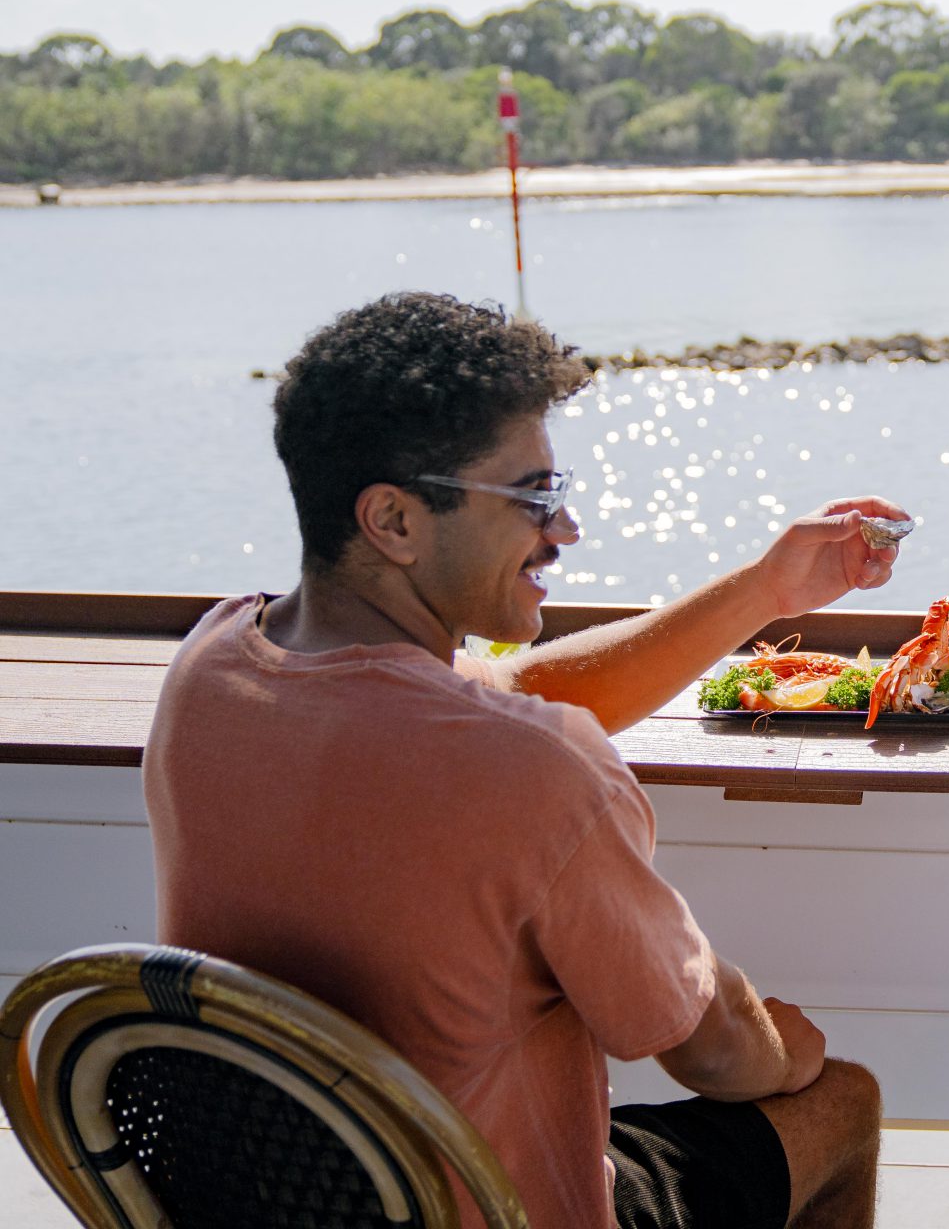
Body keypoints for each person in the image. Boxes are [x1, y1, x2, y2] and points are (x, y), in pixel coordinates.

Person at [144, 292, 906, 1229]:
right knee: (840, 1106)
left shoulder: (213, 665)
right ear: (393, 520)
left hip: (269, 1200)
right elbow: (714, 1054)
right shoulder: (538, 775)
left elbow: (504, 699)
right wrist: (789, 1052)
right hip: (488, 1210)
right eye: (535, 498)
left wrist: (767, 590)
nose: (566, 531)